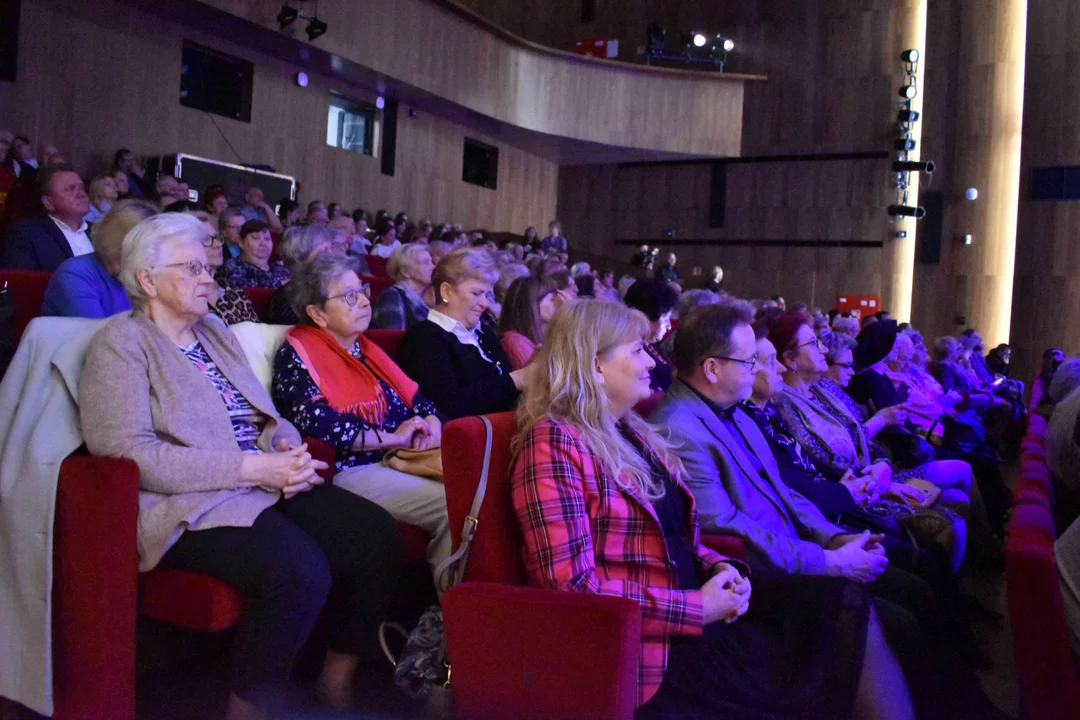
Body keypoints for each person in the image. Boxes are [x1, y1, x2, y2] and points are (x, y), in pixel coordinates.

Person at [512, 299, 916, 720]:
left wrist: (723, 567)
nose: (652, 363)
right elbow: (571, 588)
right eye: (636, 351)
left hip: (700, 606)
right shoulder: (553, 445)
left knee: (842, 600)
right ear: (595, 366)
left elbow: (682, 535)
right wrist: (697, 606)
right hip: (654, 648)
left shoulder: (629, 429)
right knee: (836, 621)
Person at [79, 213, 403, 717]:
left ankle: (334, 682)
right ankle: (246, 710)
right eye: (192, 269)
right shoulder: (120, 343)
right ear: (147, 279)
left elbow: (263, 414)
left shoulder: (212, 330)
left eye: (207, 266)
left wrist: (286, 449)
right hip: (189, 501)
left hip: (261, 482)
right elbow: (126, 454)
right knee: (298, 570)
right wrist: (252, 469)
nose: (210, 277)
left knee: (376, 535)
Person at [272, 256, 450, 572]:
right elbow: (315, 421)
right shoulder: (298, 354)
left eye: (363, 290)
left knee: (477, 490)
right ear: (317, 313)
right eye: (349, 297)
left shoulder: (366, 350)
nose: (365, 302)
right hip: (354, 467)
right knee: (454, 506)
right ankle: (448, 610)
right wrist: (392, 437)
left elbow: (416, 398)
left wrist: (432, 423)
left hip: (402, 457)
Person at [770, 313, 972, 571]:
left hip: (876, 476)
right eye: (813, 344)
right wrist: (879, 479)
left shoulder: (823, 389)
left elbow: (863, 431)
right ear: (789, 359)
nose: (822, 348)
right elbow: (828, 462)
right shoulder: (783, 404)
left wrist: (883, 465)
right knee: (952, 520)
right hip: (857, 494)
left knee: (957, 499)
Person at [397, 248, 530, 420]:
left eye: (487, 294)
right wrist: (515, 381)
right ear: (446, 292)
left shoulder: (483, 333)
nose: (484, 303)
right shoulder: (423, 338)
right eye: (476, 293)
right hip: (464, 441)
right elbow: (448, 406)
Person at [41, 199, 156, 318]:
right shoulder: (74, 275)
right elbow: (96, 334)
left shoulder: (145, 274)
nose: (154, 256)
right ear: (120, 245)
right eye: (149, 246)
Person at [2, 164, 93, 271]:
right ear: (48, 202)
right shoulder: (27, 234)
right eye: (71, 189)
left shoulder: (101, 231)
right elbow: (23, 283)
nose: (81, 194)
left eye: (82, 188)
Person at [191, 211, 260, 326]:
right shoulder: (184, 299)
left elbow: (258, 335)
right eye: (206, 239)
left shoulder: (234, 292)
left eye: (217, 237)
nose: (218, 244)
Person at [267, 224, 335, 325]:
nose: (332, 255)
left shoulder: (330, 288)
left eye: (331, 249)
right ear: (302, 258)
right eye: (324, 250)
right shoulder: (286, 299)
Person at [623, 278, 677, 392]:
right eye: (665, 319)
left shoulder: (648, 342)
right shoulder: (629, 349)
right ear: (643, 315)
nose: (669, 326)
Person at [498, 274, 559, 370]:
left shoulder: (546, 336)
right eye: (552, 299)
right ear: (533, 303)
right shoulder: (514, 340)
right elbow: (539, 379)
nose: (558, 304)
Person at [370, 243, 434, 331]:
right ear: (406, 272)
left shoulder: (429, 298)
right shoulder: (391, 296)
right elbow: (394, 338)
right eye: (426, 263)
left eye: (431, 262)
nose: (433, 267)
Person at [218, 220, 290, 290]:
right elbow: (241, 287)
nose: (263, 244)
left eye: (267, 238)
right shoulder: (232, 266)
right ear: (241, 243)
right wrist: (280, 284)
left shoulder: (281, 269)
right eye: (256, 238)